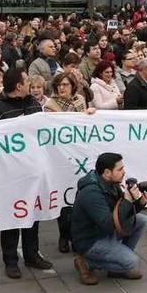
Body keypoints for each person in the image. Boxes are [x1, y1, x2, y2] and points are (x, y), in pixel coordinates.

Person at [0, 68, 54, 276]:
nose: (29, 84)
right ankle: (10, 261)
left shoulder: (32, 103)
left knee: (33, 214)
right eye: (26, 81)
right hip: (10, 174)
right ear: (18, 86)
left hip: (32, 170)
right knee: (11, 216)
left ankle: (32, 255)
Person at [71, 152, 147, 285]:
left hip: (105, 231)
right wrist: (127, 199)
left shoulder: (111, 184)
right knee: (131, 262)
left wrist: (140, 202)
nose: (124, 172)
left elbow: (122, 213)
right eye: (120, 169)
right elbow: (108, 224)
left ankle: (117, 265)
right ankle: (86, 263)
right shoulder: (91, 193)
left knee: (141, 220)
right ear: (107, 172)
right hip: (90, 240)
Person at [44, 72, 96, 251]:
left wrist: (88, 113)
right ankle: (64, 235)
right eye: (59, 85)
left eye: (65, 84)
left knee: (79, 197)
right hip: (61, 156)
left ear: (73, 86)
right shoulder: (50, 105)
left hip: (80, 154)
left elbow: (84, 123)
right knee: (64, 199)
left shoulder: (80, 100)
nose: (62, 88)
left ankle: (77, 235)